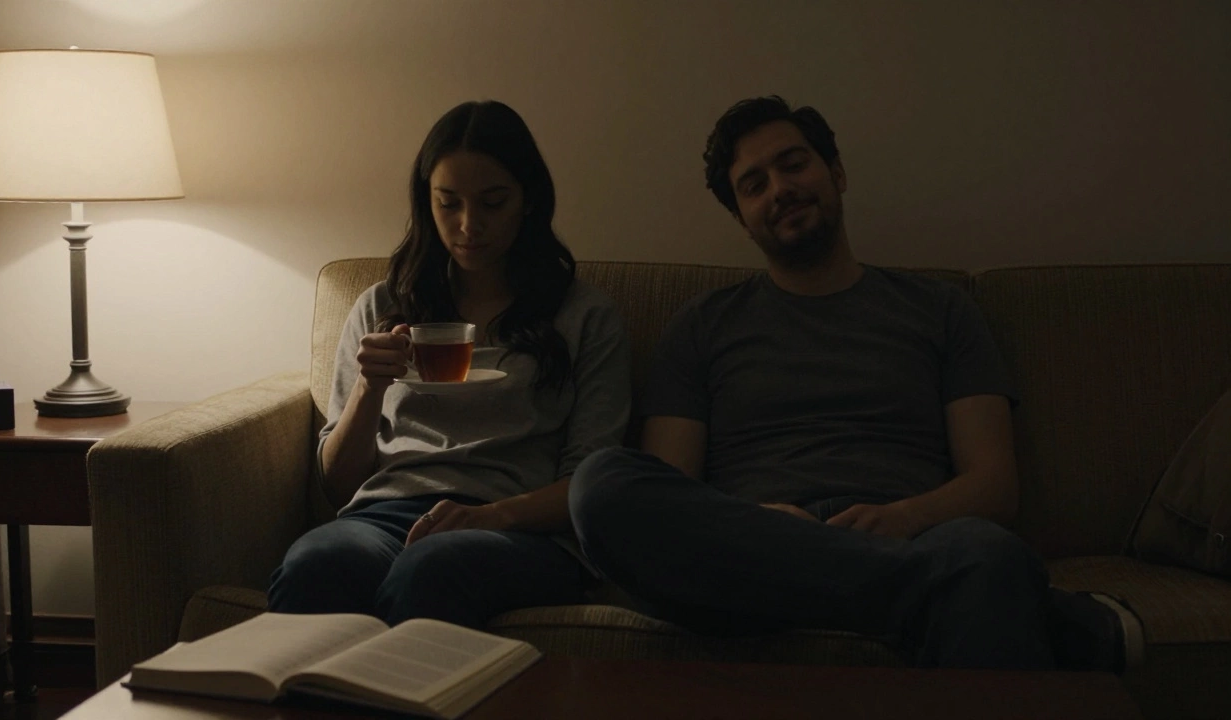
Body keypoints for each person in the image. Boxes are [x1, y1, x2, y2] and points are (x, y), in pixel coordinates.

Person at [568, 96, 1143, 671]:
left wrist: (906, 518)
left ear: (836, 173)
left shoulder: (940, 310)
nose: (780, 189)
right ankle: (1022, 611)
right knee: (601, 486)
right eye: (754, 185)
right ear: (743, 220)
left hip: (911, 535)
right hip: (745, 557)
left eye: (794, 164)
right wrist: (765, 523)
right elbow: (672, 489)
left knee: (986, 551)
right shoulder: (701, 324)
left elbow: (995, 485)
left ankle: (925, 587)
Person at [269, 100, 631, 630]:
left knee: (432, 569)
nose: (469, 225)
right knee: (317, 563)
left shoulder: (583, 316)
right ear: (426, 203)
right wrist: (371, 388)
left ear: (527, 200)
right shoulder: (381, 306)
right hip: (387, 515)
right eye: (448, 203)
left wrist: (486, 515)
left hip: (517, 527)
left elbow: (591, 484)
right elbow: (338, 486)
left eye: (492, 202)